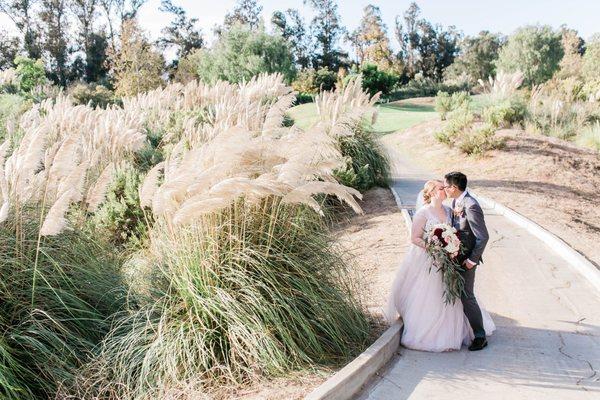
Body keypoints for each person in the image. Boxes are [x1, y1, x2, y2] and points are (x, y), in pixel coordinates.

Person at [385, 179, 495, 352]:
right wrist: (433, 247)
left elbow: (457, 232)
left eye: (445, 187)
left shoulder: (449, 210)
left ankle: (459, 332)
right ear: (432, 192)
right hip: (430, 259)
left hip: (448, 260)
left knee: (452, 295)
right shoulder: (423, 213)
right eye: (441, 188)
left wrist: (452, 248)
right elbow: (414, 238)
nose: (445, 190)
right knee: (432, 295)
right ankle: (431, 333)